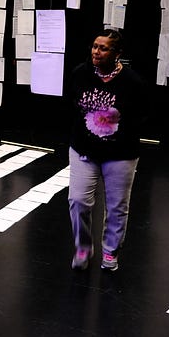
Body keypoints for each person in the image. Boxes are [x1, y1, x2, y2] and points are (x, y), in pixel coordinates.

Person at [68, 28, 151, 272]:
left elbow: (143, 115)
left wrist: (117, 130)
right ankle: (83, 247)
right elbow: (72, 106)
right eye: (94, 46)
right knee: (78, 200)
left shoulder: (132, 82)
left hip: (120, 154)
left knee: (116, 207)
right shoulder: (80, 74)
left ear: (117, 53)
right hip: (84, 150)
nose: (96, 51)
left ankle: (110, 251)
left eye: (103, 48)